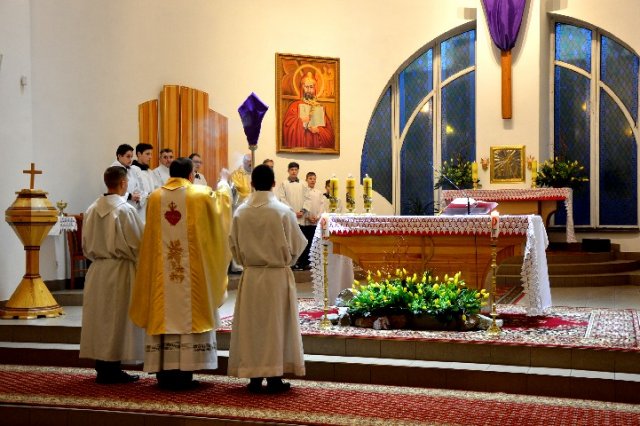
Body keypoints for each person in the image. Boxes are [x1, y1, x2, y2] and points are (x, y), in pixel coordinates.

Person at [130, 157, 232, 390]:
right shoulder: (200, 195)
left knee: (163, 310)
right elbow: (222, 207)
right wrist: (224, 182)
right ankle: (185, 370)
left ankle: (164, 371)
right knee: (190, 311)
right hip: (192, 276)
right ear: (190, 175)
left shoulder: (155, 197)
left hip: (162, 276)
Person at [228, 164, 307, 393]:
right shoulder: (282, 211)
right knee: (276, 326)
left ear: (252, 184)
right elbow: (297, 245)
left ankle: (253, 377)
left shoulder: (241, 212)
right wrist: (286, 261)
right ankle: (274, 377)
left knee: (252, 326)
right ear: (274, 184)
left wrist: (248, 260)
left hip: (251, 276)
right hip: (276, 277)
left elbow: (233, 245)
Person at [80, 166, 145, 384]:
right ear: (124, 183)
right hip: (120, 270)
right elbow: (138, 243)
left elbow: (85, 244)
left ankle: (103, 365)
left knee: (100, 318)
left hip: (97, 269)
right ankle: (112, 368)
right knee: (116, 319)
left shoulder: (91, 209)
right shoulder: (125, 210)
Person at [282, 71, 335, 150]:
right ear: (302, 88)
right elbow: (287, 126)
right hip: (301, 144)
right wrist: (301, 121)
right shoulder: (295, 106)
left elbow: (329, 134)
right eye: (306, 87)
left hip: (316, 146)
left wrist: (318, 130)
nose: (309, 90)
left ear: (315, 89)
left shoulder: (320, 107)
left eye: (311, 87)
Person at [276, 161, 308, 270]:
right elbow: (282, 199)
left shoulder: (303, 184)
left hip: (301, 217)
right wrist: (292, 212)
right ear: (288, 171)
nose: (294, 171)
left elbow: (308, 198)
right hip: (290, 216)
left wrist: (302, 211)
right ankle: (290, 262)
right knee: (290, 240)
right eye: (292, 170)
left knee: (301, 240)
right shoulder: (284, 184)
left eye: (295, 169)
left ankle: (302, 263)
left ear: (298, 171)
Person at [228, 153, 252, 273]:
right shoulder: (236, 175)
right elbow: (232, 193)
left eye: (252, 160)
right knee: (238, 237)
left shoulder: (255, 173)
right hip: (239, 210)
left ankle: (250, 261)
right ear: (244, 161)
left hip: (253, 211)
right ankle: (237, 265)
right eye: (248, 161)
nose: (250, 163)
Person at [110, 144, 143, 209]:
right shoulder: (112, 171)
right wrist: (129, 196)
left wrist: (137, 195)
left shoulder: (132, 170)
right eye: (128, 156)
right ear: (119, 156)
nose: (130, 160)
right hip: (119, 207)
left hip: (132, 206)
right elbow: (112, 192)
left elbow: (137, 186)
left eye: (131, 157)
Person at [132, 143, 155, 221]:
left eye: (151, 154)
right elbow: (132, 191)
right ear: (139, 154)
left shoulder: (150, 171)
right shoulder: (132, 170)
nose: (150, 157)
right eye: (147, 154)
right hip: (139, 211)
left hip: (150, 208)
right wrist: (147, 195)